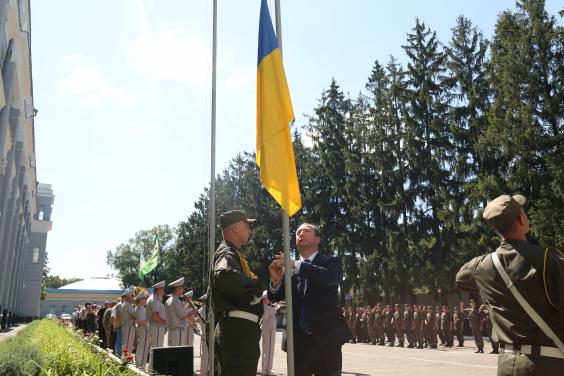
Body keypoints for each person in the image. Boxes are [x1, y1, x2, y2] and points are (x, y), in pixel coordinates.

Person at [456, 194, 564, 375]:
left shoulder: (482, 266)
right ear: (522, 218)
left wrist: (492, 283)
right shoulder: (548, 259)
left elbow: (460, 278)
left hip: (506, 364)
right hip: (546, 364)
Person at [268, 222, 351, 376]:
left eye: (306, 231)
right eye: (298, 232)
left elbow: (330, 278)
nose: (301, 234)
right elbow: (275, 296)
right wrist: (275, 281)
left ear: (318, 239)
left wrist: (298, 266)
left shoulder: (331, 261)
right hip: (297, 343)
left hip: (326, 341)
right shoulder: (290, 267)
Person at [210, 210, 263, 376]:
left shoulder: (233, 253)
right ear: (234, 228)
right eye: (246, 226)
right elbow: (224, 275)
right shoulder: (227, 252)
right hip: (237, 334)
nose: (249, 230)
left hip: (238, 332)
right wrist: (255, 286)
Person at [165, 277, 194, 347]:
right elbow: (183, 315)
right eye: (181, 288)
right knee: (177, 352)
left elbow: (179, 312)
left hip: (173, 330)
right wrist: (193, 311)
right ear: (177, 288)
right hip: (177, 331)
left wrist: (187, 308)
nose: (183, 290)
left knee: (173, 352)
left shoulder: (169, 300)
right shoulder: (176, 301)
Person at [146, 280, 167, 365]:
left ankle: (152, 369)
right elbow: (155, 316)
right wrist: (165, 323)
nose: (163, 291)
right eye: (162, 289)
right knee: (157, 349)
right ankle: (155, 370)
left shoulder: (153, 298)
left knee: (154, 349)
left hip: (155, 326)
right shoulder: (155, 300)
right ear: (158, 290)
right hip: (157, 327)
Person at [261, 291, 277, 376]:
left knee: (265, 350)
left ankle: (264, 369)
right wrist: (277, 305)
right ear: (264, 299)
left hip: (265, 331)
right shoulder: (268, 308)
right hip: (269, 331)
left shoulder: (264, 307)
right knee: (269, 351)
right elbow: (277, 310)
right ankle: (268, 370)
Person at [134, 292, 150, 369]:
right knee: (143, 347)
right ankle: (140, 366)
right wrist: (148, 321)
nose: (145, 300)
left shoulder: (142, 308)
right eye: (144, 298)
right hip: (142, 328)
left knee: (144, 347)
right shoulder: (138, 309)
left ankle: (141, 364)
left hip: (144, 328)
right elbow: (140, 321)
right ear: (140, 300)